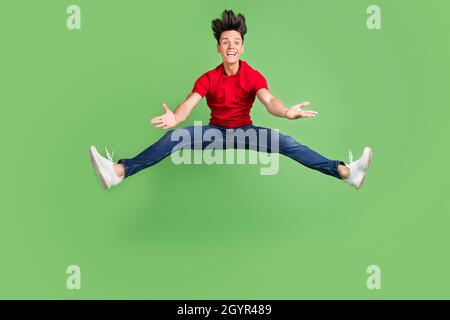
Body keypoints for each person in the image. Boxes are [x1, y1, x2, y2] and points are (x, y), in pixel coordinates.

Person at [89, 9, 372, 190]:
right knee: (174, 139)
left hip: (246, 132)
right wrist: (176, 117)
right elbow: (190, 103)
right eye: (226, 41)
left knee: (287, 143)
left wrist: (286, 112)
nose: (231, 46)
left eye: (236, 41)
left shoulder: (252, 75)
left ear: (242, 47)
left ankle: (347, 173)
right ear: (219, 48)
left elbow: (268, 100)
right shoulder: (209, 78)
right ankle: (118, 171)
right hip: (215, 132)